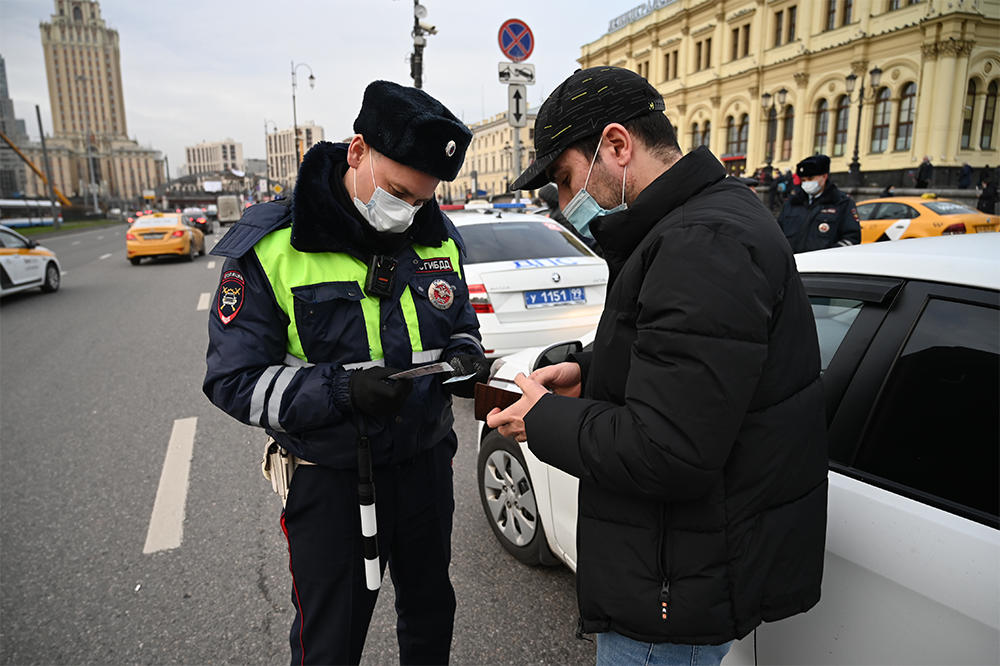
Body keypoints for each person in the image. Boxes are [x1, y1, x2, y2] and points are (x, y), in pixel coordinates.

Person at [487, 66, 828, 666]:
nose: (564, 206)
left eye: (565, 180)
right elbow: (686, 360)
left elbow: (668, 449)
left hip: (671, 592)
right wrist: (589, 371)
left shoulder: (701, 242)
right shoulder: (695, 223)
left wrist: (542, 421)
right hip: (677, 566)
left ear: (618, 145)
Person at [203, 80, 489, 666]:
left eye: (422, 198)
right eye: (398, 192)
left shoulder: (434, 233)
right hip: (331, 478)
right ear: (357, 151)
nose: (408, 210)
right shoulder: (274, 246)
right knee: (330, 642)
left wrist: (464, 356)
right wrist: (338, 390)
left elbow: (459, 320)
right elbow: (233, 380)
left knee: (431, 616)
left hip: (425, 464)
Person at [776, 154, 861, 253]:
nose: (807, 183)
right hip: (792, 260)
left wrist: (827, 256)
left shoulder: (842, 203)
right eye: (803, 180)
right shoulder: (792, 203)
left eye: (810, 179)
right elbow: (778, 234)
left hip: (823, 261)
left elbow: (851, 238)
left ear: (824, 176)